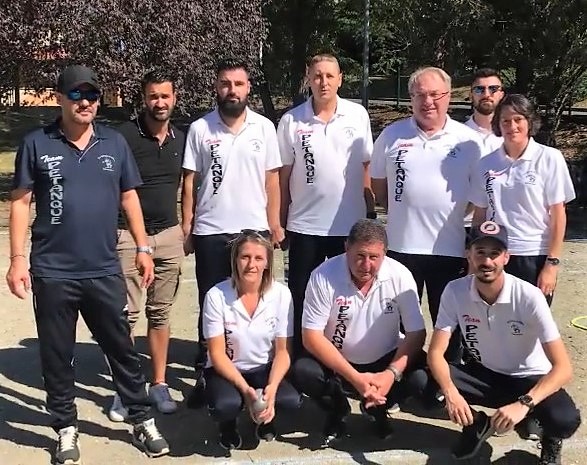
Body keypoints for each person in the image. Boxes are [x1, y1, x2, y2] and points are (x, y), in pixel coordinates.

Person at [5, 65, 169, 464]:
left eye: (92, 96)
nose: (86, 103)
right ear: (59, 98)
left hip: (103, 269)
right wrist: (16, 260)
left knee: (122, 351)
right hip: (53, 271)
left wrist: (144, 248)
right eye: (77, 95)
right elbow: (22, 202)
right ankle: (65, 428)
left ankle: (141, 418)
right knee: (57, 356)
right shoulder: (36, 144)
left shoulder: (114, 144)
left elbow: (129, 198)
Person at [427, 221, 581, 463]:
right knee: (423, 381)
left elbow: (563, 368)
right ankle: (477, 425)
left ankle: (546, 435)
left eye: (494, 254)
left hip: (529, 378)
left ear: (506, 258)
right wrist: (451, 393)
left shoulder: (529, 297)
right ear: (468, 255)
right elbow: (436, 352)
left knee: (564, 420)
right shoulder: (455, 291)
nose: (487, 261)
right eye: (480, 253)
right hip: (486, 374)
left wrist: (523, 403)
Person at [182, 58, 284, 405]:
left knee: (258, 303)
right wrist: (188, 223)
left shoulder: (265, 128)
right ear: (216, 86)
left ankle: (261, 370)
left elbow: (273, 180)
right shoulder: (200, 129)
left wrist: (274, 223)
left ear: (248, 88)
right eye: (225, 84)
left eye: (238, 84)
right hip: (212, 230)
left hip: (255, 231)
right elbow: (189, 181)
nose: (232, 90)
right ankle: (206, 375)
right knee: (211, 305)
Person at [371, 66, 483, 363]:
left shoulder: (468, 141)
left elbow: (477, 196)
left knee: (447, 321)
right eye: (420, 95)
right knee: (397, 321)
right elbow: (379, 187)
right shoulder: (392, 135)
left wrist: (452, 211)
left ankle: (447, 381)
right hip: (400, 248)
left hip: (448, 249)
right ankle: (401, 379)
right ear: (411, 98)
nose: (428, 101)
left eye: (435, 94)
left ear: (448, 96)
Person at [293, 219, 429, 445]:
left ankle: (377, 409)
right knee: (303, 371)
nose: (366, 265)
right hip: (338, 361)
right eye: (359, 255)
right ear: (346, 247)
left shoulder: (401, 275)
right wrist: (355, 378)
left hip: (383, 360)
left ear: (385, 253)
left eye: (374, 257)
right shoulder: (323, 275)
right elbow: (311, 336)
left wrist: (390, 374)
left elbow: (417, 333)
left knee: (421, 378)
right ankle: (337, 408)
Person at [278, 53, 375, 358]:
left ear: (340, 79)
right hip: (305, 226)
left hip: (348, 227)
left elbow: (366, 167)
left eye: (329, 76)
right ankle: (298, 359)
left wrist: (369, 213)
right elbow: (283, 176)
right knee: (301, 294)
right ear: (308, 79)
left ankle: (341, 356)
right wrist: (279, 221)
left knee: (344, 296)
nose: (323, 82)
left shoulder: (357, 115)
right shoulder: (291, 120)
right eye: (317, 76)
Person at [108, 70, 189, 420]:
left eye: (165, 96)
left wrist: (186, 226)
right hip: (127, 237)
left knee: (160, 313)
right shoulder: (123, 137)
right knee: (125, 315)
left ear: (174, 98)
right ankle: (124, 391)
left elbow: (189, 184)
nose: (160, 102)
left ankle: (158, 383)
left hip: (169, 236)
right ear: (144, 99)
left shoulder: (181, 138)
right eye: (153, 96)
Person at [471, 94, 576, 306]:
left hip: (534, 255)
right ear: (498, 124)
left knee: (530, 329)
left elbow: (558, 215)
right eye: (505, 121)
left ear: (529, 122)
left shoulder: (549, 158)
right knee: (494, 324)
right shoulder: (485, 164)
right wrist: (475, 255)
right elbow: (479, 214)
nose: (512, 126)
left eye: (518, 119)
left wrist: (551, 265)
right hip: (496, 255)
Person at [202, 230, 301, 450]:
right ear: (235, 260)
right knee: (225, 405)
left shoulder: (281, 294)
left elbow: (283, 352)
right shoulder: (216, 296)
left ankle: (265, 417)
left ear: (267, 262)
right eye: (245, 257)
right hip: (226, 369)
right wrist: (245, 389)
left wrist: (273, 388)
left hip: (263, 368)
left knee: (290, 401)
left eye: (258, 258)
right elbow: (217, 354)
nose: (251, 265)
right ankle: (228, 425)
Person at [464, 68, 505, 154]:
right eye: (479, 89)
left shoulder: (512, 135)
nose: (486, 94)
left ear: (501, 95)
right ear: (471, 95)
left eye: (493, 89)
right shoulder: (456, 135)